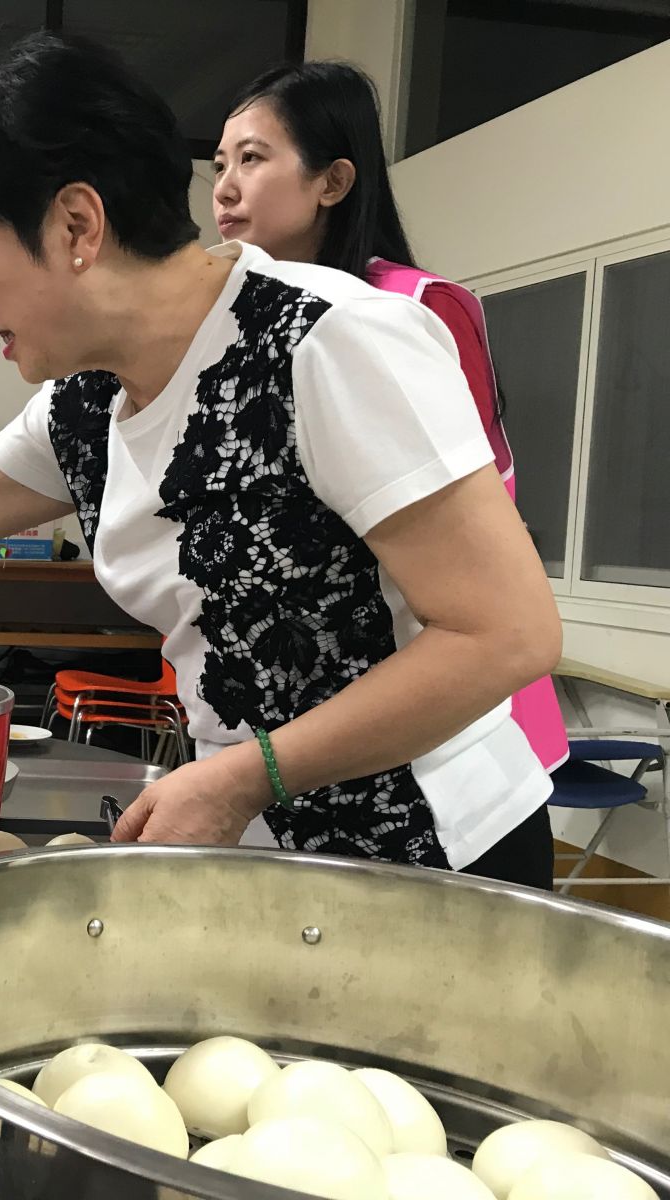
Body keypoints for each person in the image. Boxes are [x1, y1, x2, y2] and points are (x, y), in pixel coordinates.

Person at [0, 34, 563, 888]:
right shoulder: (89, 395)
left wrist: (251, 774)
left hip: (435, 849)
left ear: (78, 225)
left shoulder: (328, 340)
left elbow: (506, 634)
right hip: (260, 837)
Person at [210, 60, 570, 784]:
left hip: (424, 696)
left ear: (333, 183)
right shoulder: (233, 323)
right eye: (220, 163)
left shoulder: (412, 309)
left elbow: (479, 520)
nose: (223, 187)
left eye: (252, 158)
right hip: (304, 706)